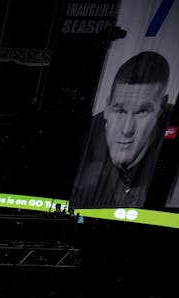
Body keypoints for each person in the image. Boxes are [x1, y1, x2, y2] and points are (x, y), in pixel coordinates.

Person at [72, 51, 170, 208]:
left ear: (161, 108)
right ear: (107, 106)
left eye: (142, 111)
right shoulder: (83, 138)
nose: (126, 129)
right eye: (120, 111)